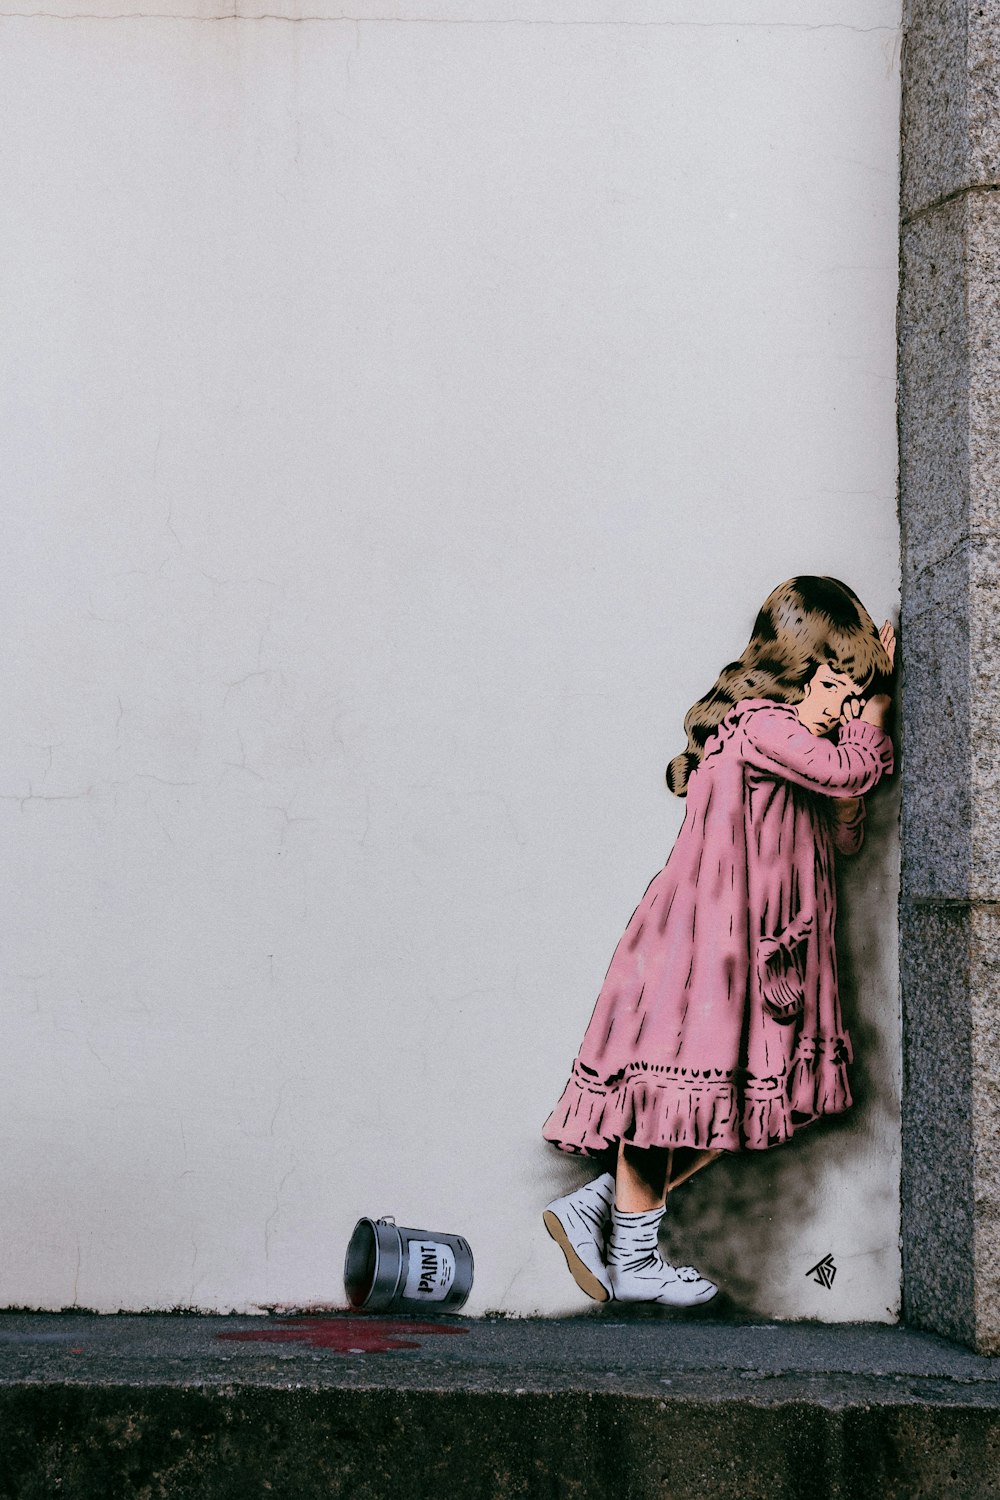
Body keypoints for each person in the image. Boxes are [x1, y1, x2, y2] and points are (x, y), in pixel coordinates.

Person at [541, 577, 895, 1307]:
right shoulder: (761, 724)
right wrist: (878, 712)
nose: (842, 706)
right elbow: (845, 767)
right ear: (792, 670)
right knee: (673, 1100)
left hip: (762, 956)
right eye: (835, 685)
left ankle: (601, 1205)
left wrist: (849, 775)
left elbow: (843, 823)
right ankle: (635, 1261)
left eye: (853, 693)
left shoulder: (797, 741)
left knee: (730, 1105)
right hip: (711, 951)